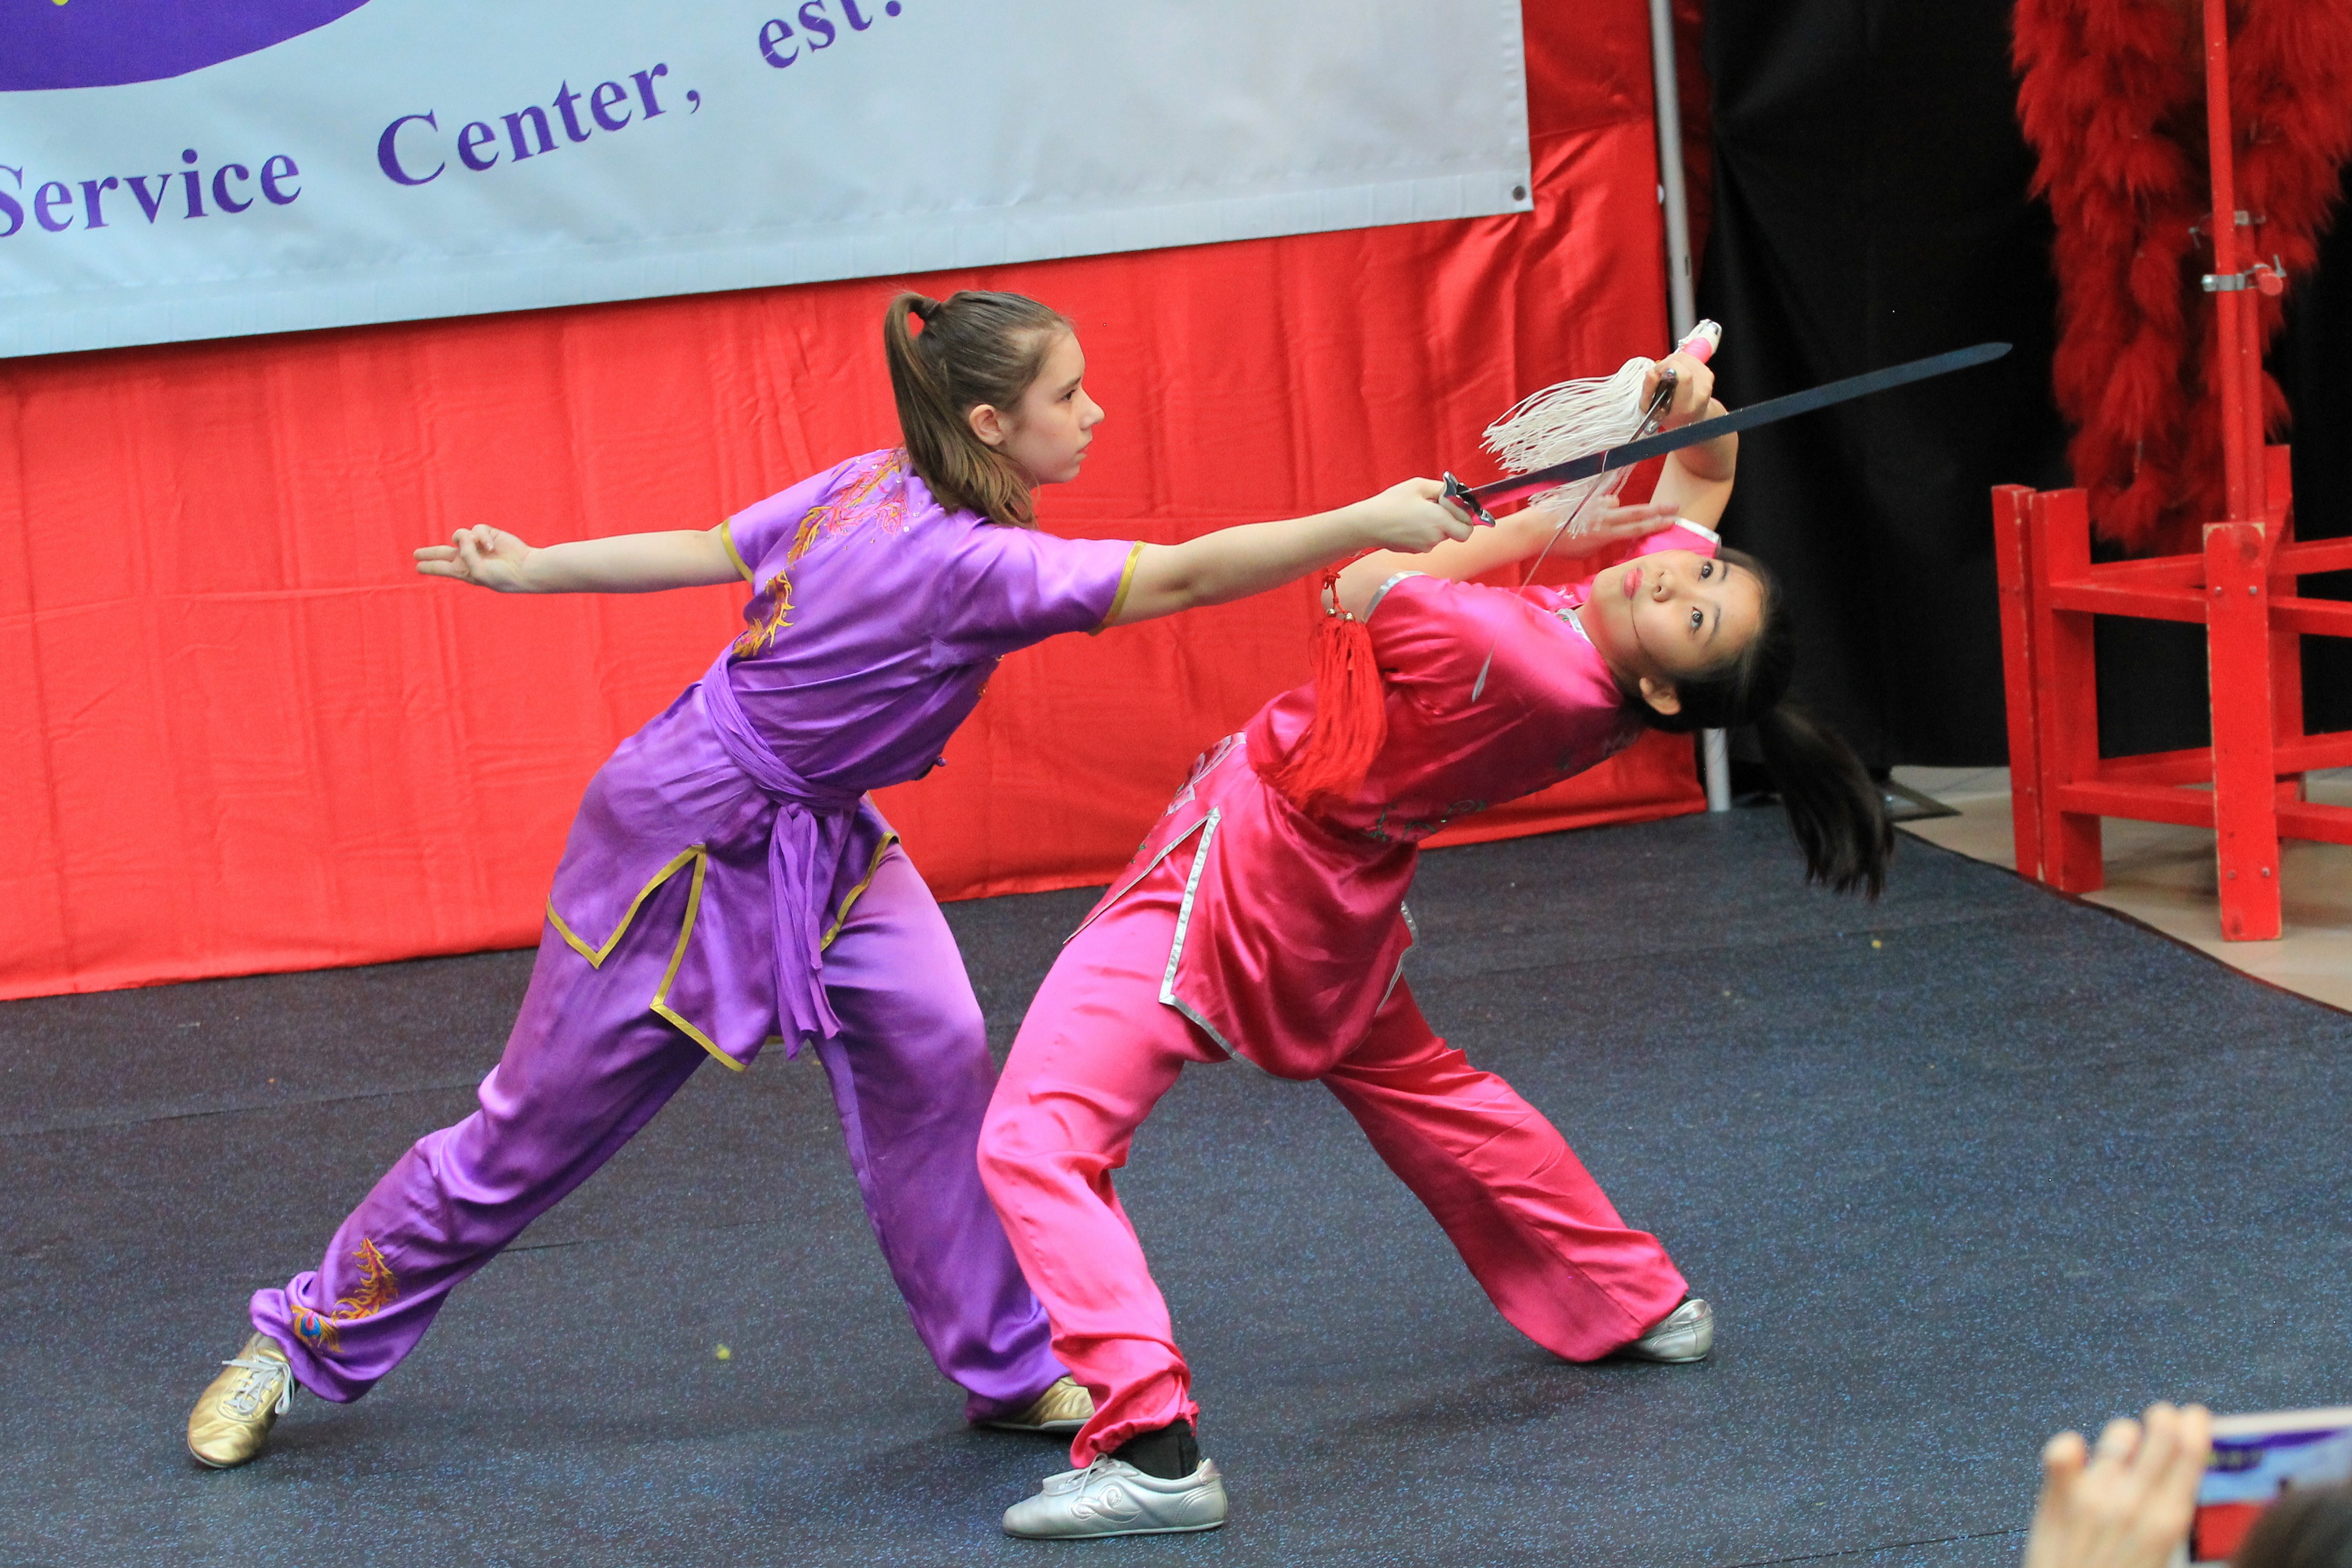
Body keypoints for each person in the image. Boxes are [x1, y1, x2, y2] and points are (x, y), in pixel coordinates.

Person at [183, 288, 1478, 1469]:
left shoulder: (886, 483)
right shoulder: (955, 557)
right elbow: (1177, 576)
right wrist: (1368, 520)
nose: (1094, 414)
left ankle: (1009, 1366)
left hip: (824, 841)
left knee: (935, 1046)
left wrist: (532, 568)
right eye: (1069, 394)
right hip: (677, 844)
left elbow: (707, 546)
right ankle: (296, 1338)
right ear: (989, 422)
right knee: (524, 1137)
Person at [975, 346, 1895, 1538]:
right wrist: (1689, 405)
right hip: (1339, 897)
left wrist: (1535, 528)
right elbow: (1703, 482)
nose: (1676, 578)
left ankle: (1153, 1449)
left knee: (1036, 1138)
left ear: (1671, 695)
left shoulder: (1527, 664)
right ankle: (1635, 1299)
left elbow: (1358, 586)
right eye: (1701, 574)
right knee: (1432, 1096)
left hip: (1243, 876)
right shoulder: (1618, 655)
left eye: (1696, 612)